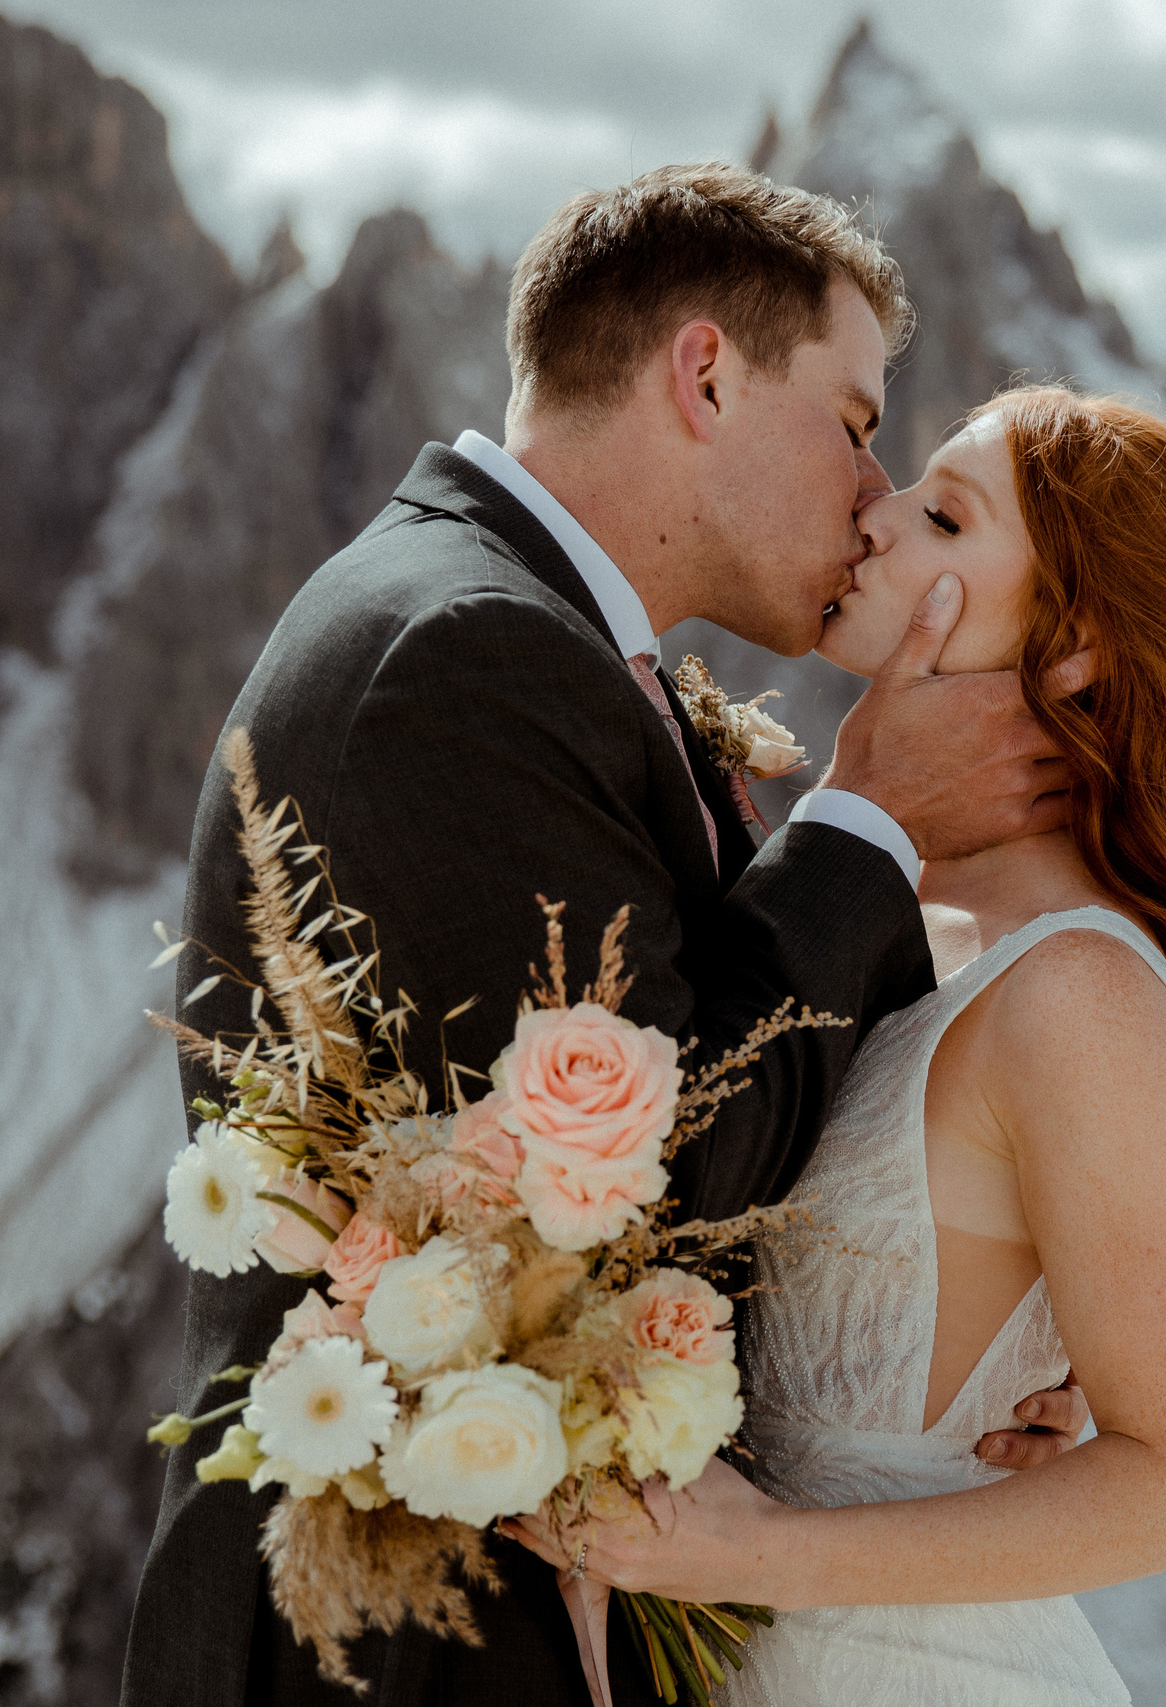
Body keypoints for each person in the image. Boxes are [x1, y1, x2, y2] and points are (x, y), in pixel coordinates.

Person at [119, 167, 1100, 1707]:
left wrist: (967, 1344)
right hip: (393, 1647)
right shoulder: (464, 653)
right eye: (853, 422)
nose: (873, 490)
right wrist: (870, 813)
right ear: (704, 374)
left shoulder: (520, 636)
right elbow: (650, 1176)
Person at [502, 387, 1166, 1705]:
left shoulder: (1081, 989)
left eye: (943, 515)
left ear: (1073, 646)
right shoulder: (898, 915)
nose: (877, 512)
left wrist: (768, 1552)